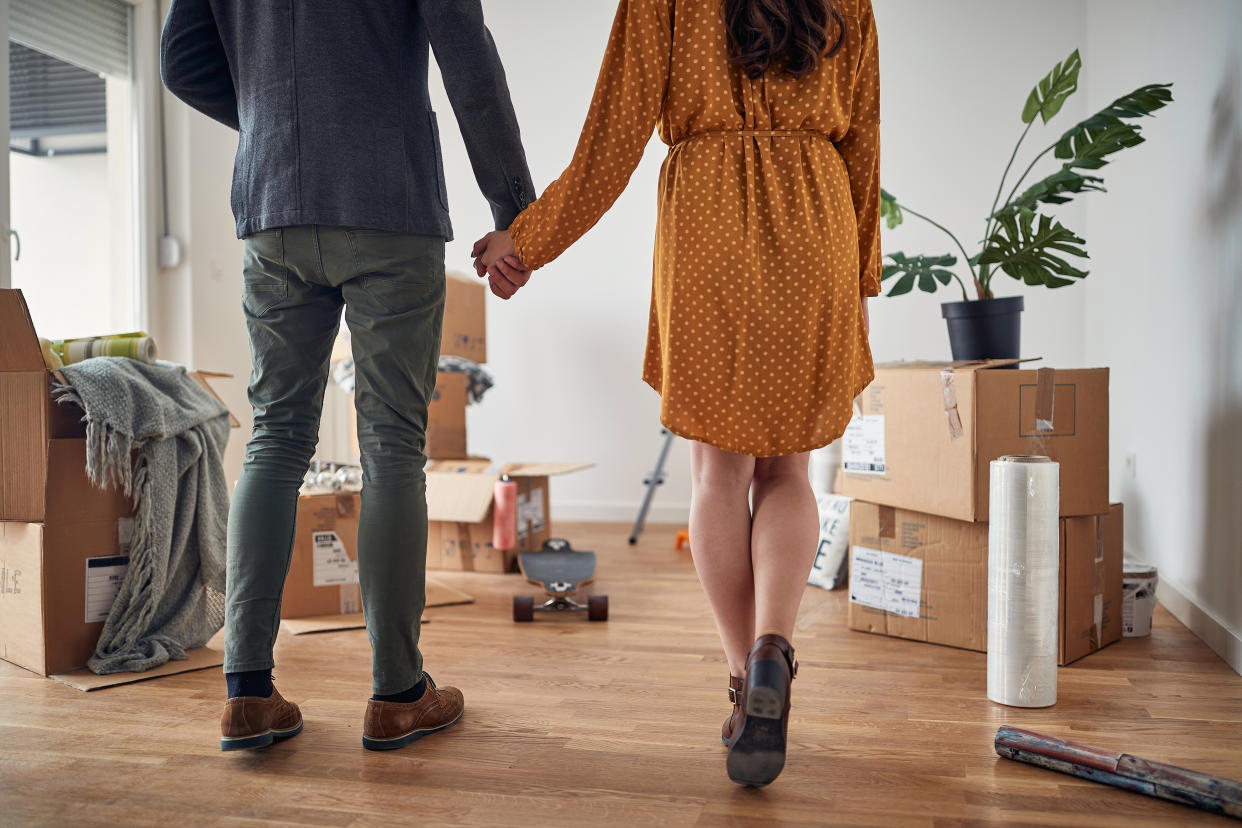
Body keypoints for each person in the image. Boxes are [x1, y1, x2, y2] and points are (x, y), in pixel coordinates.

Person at [474, 0, 880, 786]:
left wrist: (528, 238)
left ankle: (748, 677)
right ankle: (775, 646)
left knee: (717, 475)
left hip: (709, 223)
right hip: (816, 221)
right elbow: (863, 145)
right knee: (789, 473)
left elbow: (611, 140)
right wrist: (858, 278)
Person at [161, 0, 534, 752]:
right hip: (386, 198)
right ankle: (397, 694)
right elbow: (468, 59)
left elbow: (182, 61)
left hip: (273, 200)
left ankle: (247, 693)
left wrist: (277, 124)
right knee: (392, 444)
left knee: (275, 437)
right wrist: (516, 210)